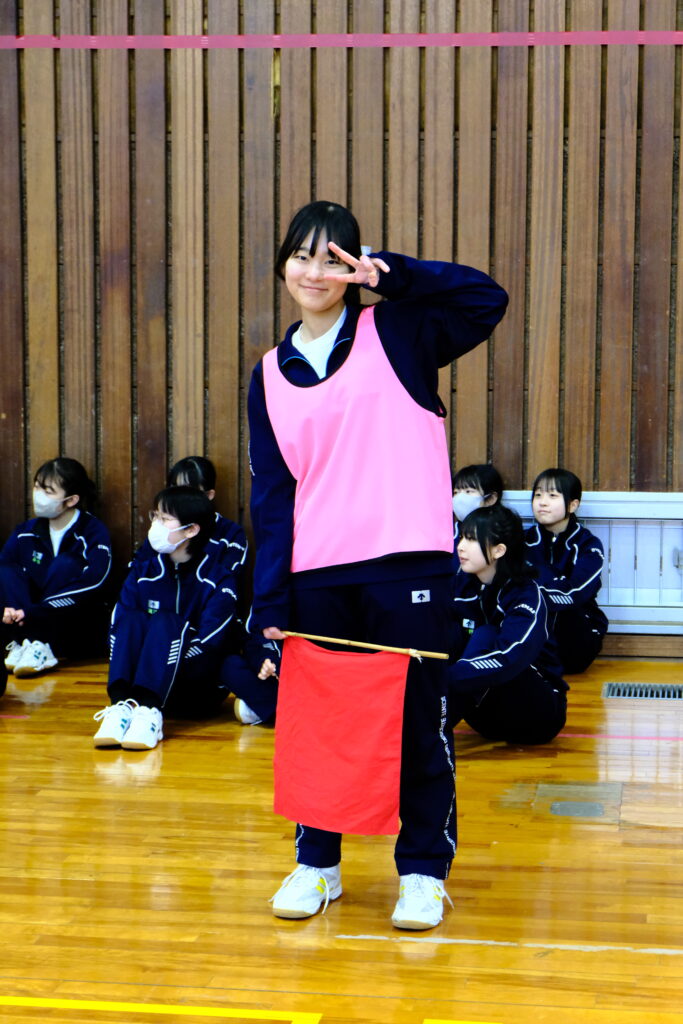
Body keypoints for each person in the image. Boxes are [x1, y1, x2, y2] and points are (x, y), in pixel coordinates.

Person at [248, 200, 508, 929]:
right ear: (283, 265)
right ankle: (317, 865)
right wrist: (269, 603)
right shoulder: (268, 374)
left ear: (353, 267)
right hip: (317, 577)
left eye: (333, 258)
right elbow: (272, 497)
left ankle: (421, 872)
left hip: (406, 570)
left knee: (418, 724)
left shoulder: (399, 330)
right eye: (302, 255)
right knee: (319, 727)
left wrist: (393, 276)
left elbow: (485, 299)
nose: (315, 271)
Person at [92, 486, 242, 750]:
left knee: (166, 622)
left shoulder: (218, 578)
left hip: (194, 689)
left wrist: (161, 666)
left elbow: (209, 644)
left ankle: (149, 711)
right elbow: (117, 629)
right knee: (133, 619)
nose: (155, 524)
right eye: (155, 516)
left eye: (164, 519)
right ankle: (121, 706)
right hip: (139, 685)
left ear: (191, 530)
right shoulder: (142, 572)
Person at [449, 504, 568, 744]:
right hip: (487, 719)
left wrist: (446, 678)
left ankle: (427, 735)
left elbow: (510, 658)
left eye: (471, 539)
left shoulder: (526, 594)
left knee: (485, 634)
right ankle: (423, 733)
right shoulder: (461, 586)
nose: (460, 546)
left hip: (537, 715)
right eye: (461, 537)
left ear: (499, 550)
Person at [1, 458, 112, 697]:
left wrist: (36, 612)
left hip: (72, 623)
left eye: (48, 491)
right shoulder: (25, 531)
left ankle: (40, 643)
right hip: (25, 621)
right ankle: (25, 642)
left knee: (66, 564)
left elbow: (96, 578)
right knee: (7, 570)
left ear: (71, 500)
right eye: (37, 487)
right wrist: (8, 608)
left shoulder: (92, 531)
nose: (38, 495)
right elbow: (5, 568)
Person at [525, 468, 608, 674]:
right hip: (533, 632)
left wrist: (535, 594)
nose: (542, 502)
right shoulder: (520, 542)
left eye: (552, 496)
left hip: (575, 635)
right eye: (538, 495)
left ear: (573, 505)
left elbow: (576, 593)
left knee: (544, 579)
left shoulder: (589, 545)